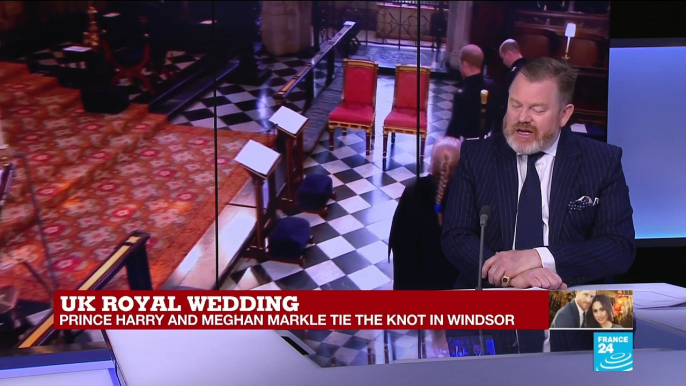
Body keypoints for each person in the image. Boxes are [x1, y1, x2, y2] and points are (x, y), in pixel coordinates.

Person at [441, 57, 636, 291]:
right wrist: (510, 279)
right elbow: (456, 236)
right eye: (515, 105)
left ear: (564, 114)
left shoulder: (603, 161)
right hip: (493, 294)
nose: (523, 117)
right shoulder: (476, 156)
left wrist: (537, 257)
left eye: (537, 109)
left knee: (623, 321)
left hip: (575, 300)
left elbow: (619, 247)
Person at [388, 136, 462, 290]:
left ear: (432, 163)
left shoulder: (412, 191)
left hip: (411, 282)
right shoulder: (465, 199)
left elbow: (398, 239)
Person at [446, 44, 497, 140]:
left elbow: (454, 130)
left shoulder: (462, 96)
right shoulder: (492, 85)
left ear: (464, 64)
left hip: (466, 146)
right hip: (487, 142)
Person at [496, 39, 528, 135]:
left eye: (503, 58)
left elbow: (508, 100)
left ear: (508, 54)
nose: (503, 62)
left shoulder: (514, 73)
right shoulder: (530, 67)